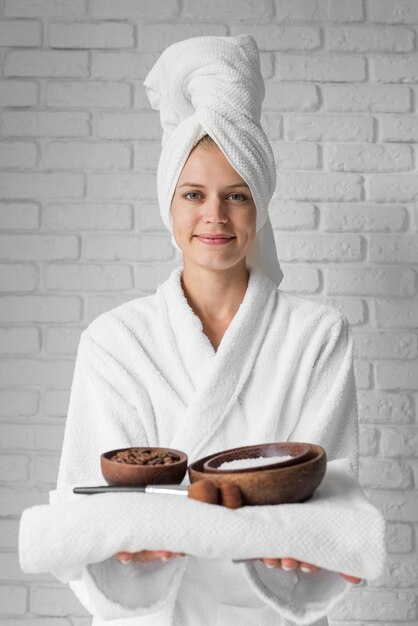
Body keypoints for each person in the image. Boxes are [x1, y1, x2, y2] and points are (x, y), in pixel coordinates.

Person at [51, 34, 365, 626]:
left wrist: (303, 536)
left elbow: (328, 501)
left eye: (237, 196)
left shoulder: (317, 335)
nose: (214, 216)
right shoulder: (114, 341)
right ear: (168, 204)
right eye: (193, 194)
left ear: (261, 206)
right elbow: (86, 505)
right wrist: (134, 540)